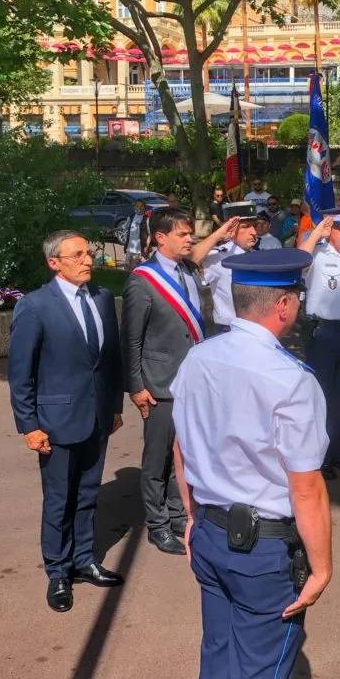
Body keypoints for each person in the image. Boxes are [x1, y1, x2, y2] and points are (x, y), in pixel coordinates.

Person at [170, 248, 332, 679]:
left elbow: (181, 445)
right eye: (296, 295)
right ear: (283, 305)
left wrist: (190, 517)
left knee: (218, 660)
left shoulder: (198, 357)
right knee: (261, 676)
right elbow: (306, 489)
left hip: (209, 532)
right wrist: (321, 569)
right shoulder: (293, 379)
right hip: (260, 552)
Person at [8, 230, 125, 612]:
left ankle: (85, 559)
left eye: (88, 253)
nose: (87, 260)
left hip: (98, 417)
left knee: (88, 493)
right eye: (76, 255)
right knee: (59, 499)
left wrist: (114, 406)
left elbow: (110, 360)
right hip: (56, 421)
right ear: (54, 263)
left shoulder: (104, 299)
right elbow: (20, 373)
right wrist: (29, 425)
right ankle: (58, 571)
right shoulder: (36, 306)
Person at [122, 208, 207, 557]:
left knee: (184, 457)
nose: (190, 239)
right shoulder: (142, 280)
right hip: (159, 385)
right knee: (157, 460)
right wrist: (136, 386)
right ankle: (157, 526)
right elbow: (131, 339)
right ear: (160, 238)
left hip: (192, 382)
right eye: (183, 234)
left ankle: (177, 516)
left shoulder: (188, 270)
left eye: (190, 234)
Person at [299, 208, 340, 479]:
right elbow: (298, 259)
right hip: (323, 333)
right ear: (329, 229)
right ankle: (321, 459)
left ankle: (339, 453)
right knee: (321, 398)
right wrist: (317, 234)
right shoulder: (316, 254)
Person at [194, 201, 258, 334]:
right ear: (230, 229)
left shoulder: (257, 256)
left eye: (254, 226)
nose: (253, 232)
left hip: (256, 328)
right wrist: (218, 235)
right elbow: (190, 259)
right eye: (246, 226)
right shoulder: (218, 257)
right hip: (228, 329)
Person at [125, 199, 150, 268]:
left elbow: (149, 234)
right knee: (127, 269)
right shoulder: (131, 217)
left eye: (141, 206)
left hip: (139, 251)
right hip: (129, 249)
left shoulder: (146, 219)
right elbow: (124, 227)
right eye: (137, 206)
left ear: (144, 208)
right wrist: (113, 229)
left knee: (137, 270)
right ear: (134, 207)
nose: (139, 208)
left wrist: (147, 247)